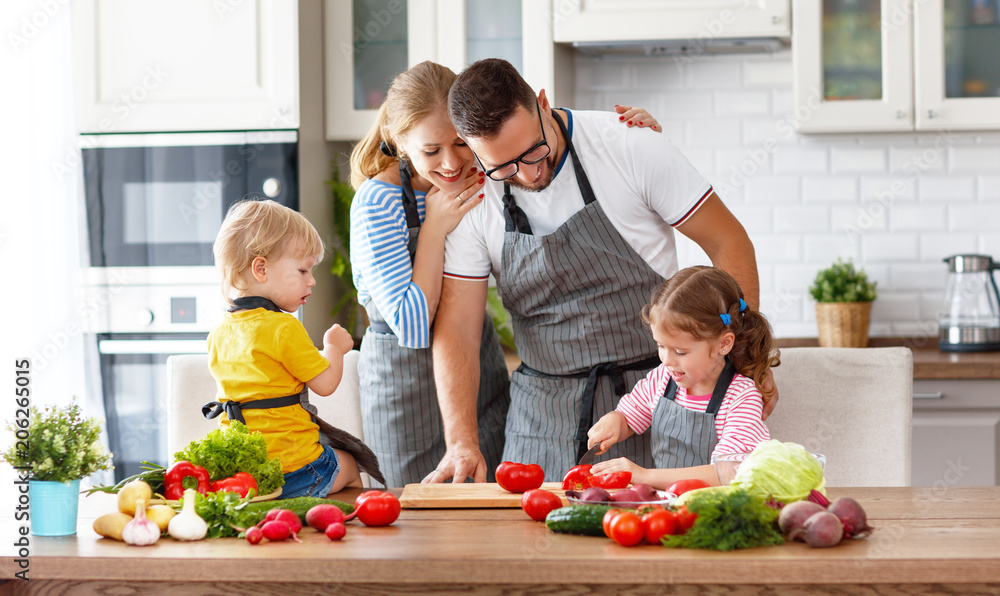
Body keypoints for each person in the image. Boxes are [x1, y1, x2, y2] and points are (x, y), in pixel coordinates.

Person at [425, 58, 768, 484]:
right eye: (505, 167)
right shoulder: (473, 198)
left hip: (656, 399)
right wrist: (460, 440)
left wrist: (744, 366)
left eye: (535, 150)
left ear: (543, 104)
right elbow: (458, 326)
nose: (530, 174)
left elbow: (728, 242)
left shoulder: (629, 146)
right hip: (541, 413)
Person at [349, 61, 662, 487]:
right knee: (418, 522)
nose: (450, 163)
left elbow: (532, 132)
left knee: (487, 507)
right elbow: (413, 325)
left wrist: (631, 131)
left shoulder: (483, 174)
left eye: (461, 144)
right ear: (399, 142)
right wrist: (435, 231)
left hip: (477, 371)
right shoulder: (378, 203)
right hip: (407, 386)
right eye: (431, 151)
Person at [206, 199, 382, 497]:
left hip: (245, 476)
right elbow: (326, 384)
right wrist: (335, 348)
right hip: (295, 470)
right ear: (260, 268)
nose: (312, 281)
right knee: (351, 465)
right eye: (303, 270)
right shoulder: (283, 326)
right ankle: (348, 522)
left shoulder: (220, 331)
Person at [586, 266, 778, 489]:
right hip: (665, 508)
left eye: (680, 352)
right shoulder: (662, 378)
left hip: (715, 509)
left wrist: (643, 476)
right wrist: (614, 421)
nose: (667, 360)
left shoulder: (741, 397)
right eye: (660, 346)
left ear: (723, 344)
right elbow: (629, 416)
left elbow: (728, 474)